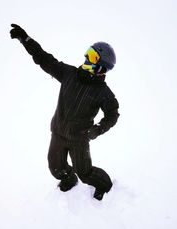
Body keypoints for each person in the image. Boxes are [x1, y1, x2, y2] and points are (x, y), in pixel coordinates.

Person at [10, 24, 120, 201]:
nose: (86, 58)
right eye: (87, 53)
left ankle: (105, 186)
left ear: (101, 66)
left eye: (92, 56)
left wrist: (98, 129)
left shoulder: (104, 93)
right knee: (56, 168)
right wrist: (26, 40)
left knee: (85, 173)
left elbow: (113, 114)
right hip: (59, 132)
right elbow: (44, 59)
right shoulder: (69, 73)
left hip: (79, 138)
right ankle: (69, 179)